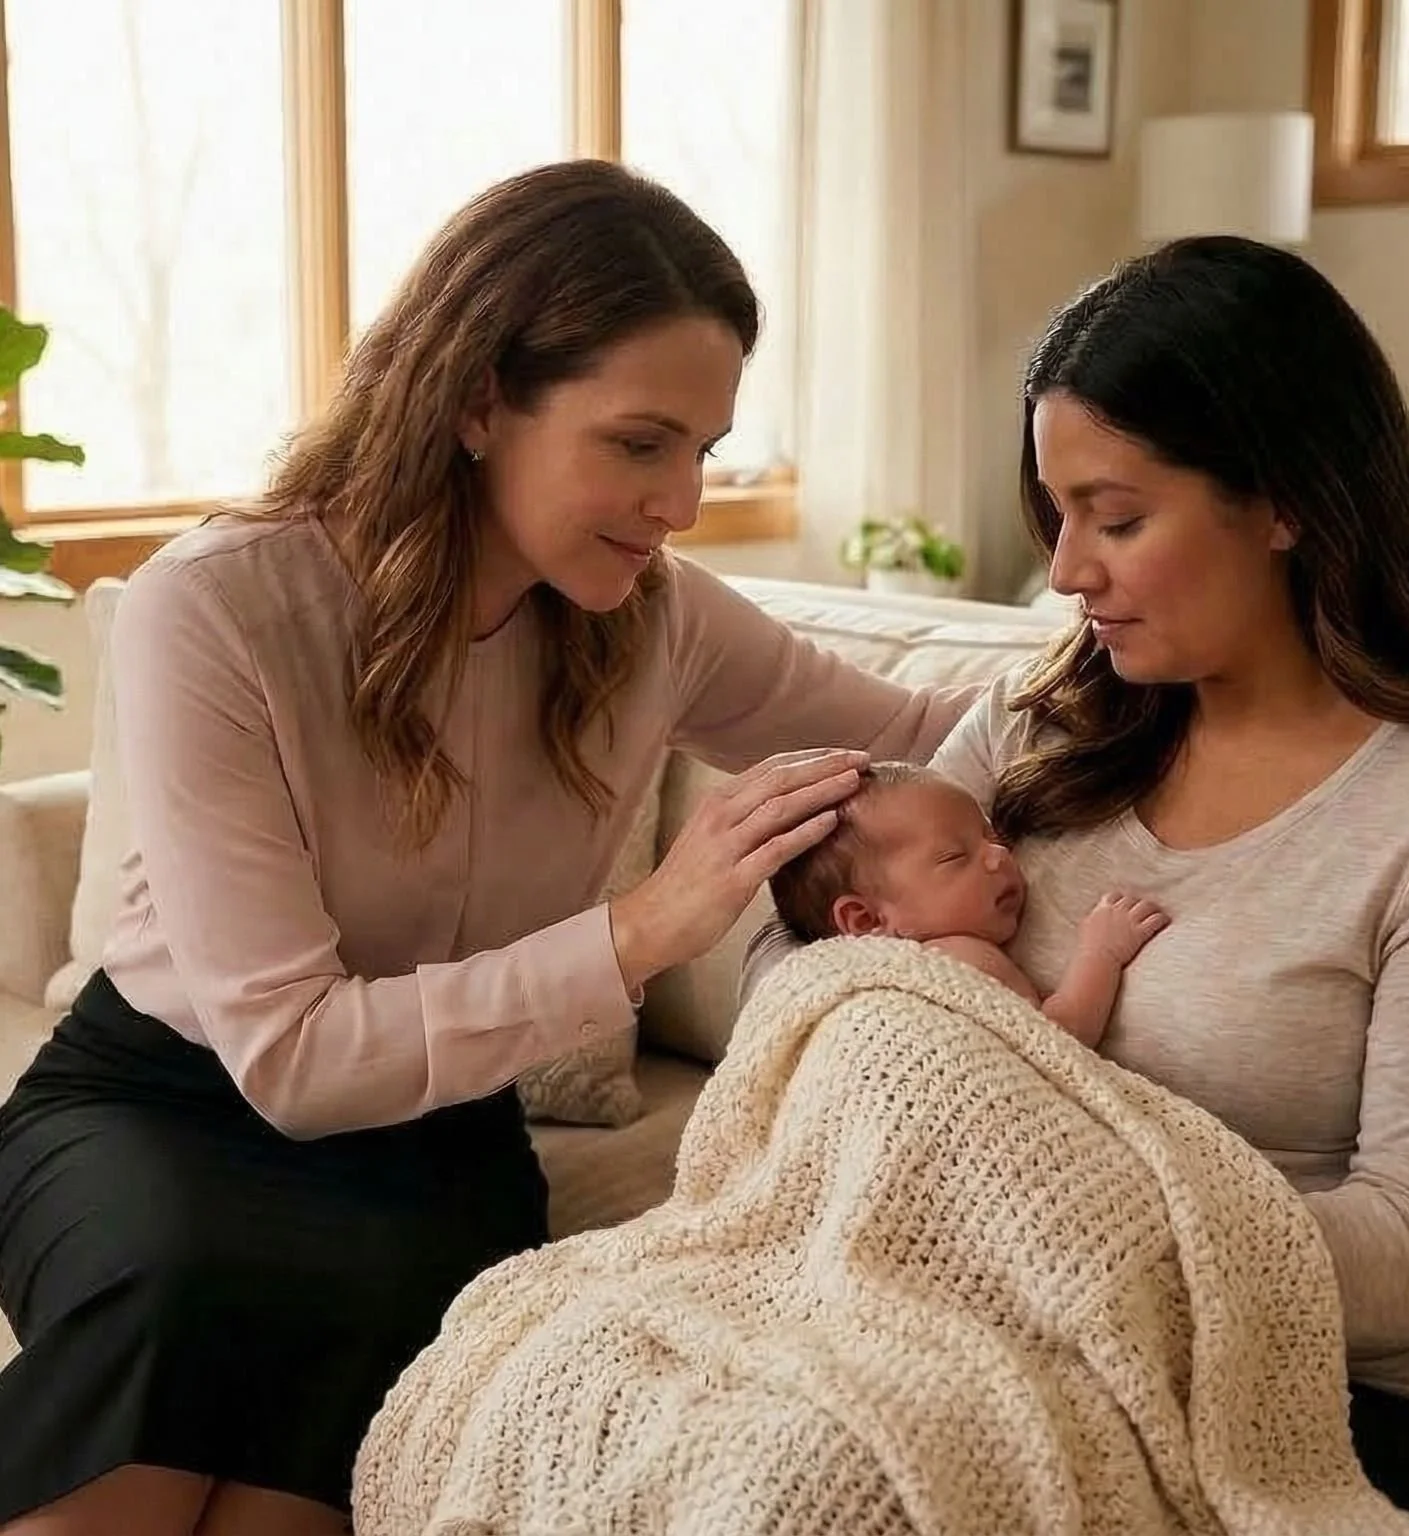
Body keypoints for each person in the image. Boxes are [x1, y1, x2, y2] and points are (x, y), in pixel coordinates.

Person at [0, 161, 977, 1536]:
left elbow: (940, 728)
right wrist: (645, 929)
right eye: (641, 445)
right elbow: (288, 1059)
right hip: (162, 1105)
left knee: (361, 1392)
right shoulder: (216, 609)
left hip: (435, 1144)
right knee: (174, 1312)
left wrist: (1149, 652)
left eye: (704, 449)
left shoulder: (663, 618)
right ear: (473, 401)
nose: (684, 501)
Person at [746, 235, 1409, 1535]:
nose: (1065, 573)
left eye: (1116, 519)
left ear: (1284, 499)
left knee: (816, 1495)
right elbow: (814, 962)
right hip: (989, 1318)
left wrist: (1074, 1224)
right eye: (1057, 518)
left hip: (1330, 1397)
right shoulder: (1037, 721)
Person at [768, 761, 1168, 1047]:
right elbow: (1057, 1041)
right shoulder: (959, 957)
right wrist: (1101, 953)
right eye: (954, 857)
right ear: (866, 918)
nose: (999, 857)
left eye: (992, 838)